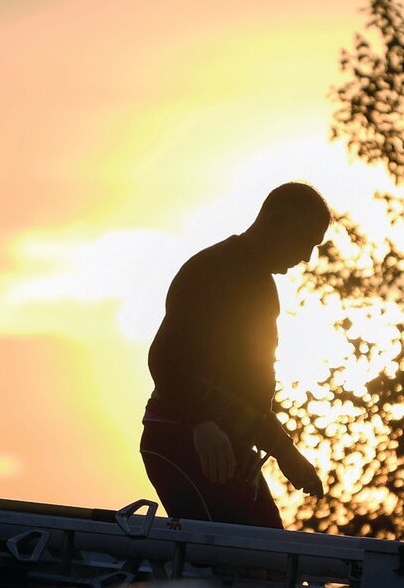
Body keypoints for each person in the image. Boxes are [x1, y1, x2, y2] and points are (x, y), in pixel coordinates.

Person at [140, 182, 330, 529]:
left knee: (271, 556)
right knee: (231, 557)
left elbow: (249, 396)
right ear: (275, 223)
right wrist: (202, 423)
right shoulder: (209, 270)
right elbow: (164, 357)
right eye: (305, 241)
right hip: (180, 441)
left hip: (232, 446)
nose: (307, 257)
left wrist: (286, 453)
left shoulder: (264, 290)